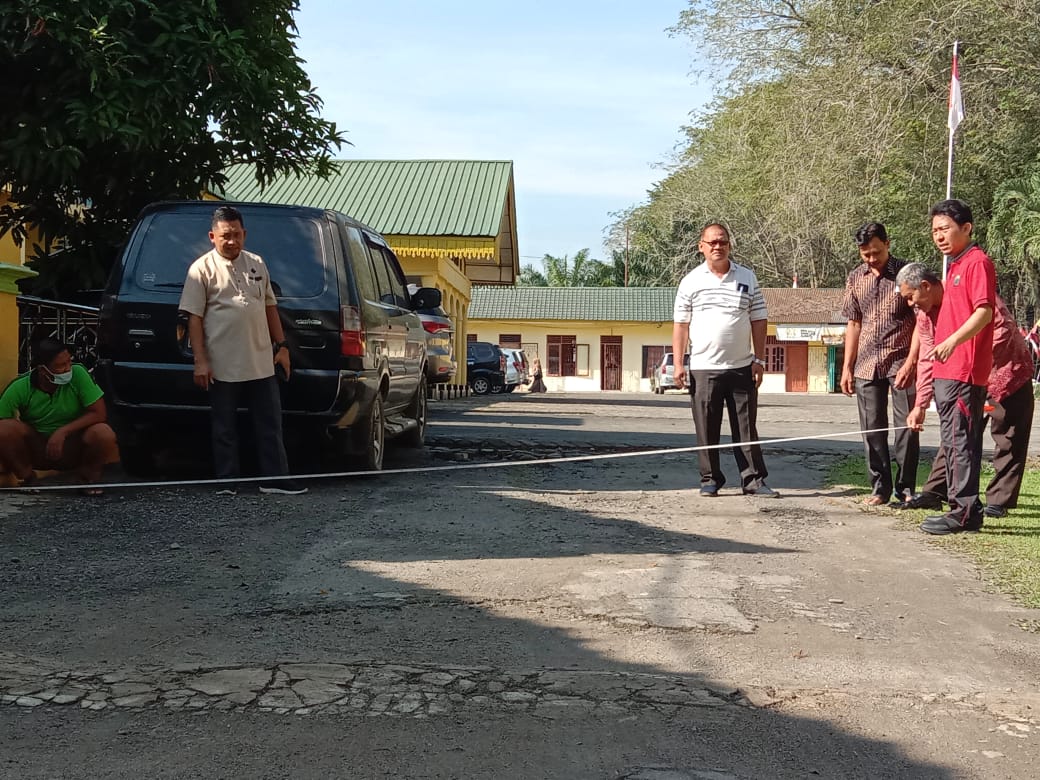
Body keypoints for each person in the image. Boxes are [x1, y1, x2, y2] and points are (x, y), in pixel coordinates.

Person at [179, 205, 307, 495]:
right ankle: (227, 482)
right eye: (225, 236)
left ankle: (275, 479)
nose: (232, 241)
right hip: (221, 363)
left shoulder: (257, 263)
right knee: (224, 427)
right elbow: (193, 318)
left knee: (270, 424)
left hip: (260, 359)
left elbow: (270, 306)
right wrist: (200, 361)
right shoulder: (201, 269)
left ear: (245, 234)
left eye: (237, 235)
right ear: (213, 236)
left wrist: (282, 346)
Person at [895, 263, 1033, 519]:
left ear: (925, 286)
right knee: (955, 436)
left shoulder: (965, 291)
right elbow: (928, 358)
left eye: (910, 297)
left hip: (1006, 372)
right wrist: (920, 404)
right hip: (964, 379)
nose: (911, 304)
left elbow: (999, 331)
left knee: (1008, 437)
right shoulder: (924, 317)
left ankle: (998, 501)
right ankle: (935, 492)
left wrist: (959, 351)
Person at [672, 222, 778, 498]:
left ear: (730, 245)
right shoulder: (691, 281)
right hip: (704, 369)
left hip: (742, 366)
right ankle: (710, 479)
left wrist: (760, 359)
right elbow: (681, 325)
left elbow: (759, 319)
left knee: (746, 426)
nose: (717, 247)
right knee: (706, 428)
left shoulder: (747, 277)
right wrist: (680, 364)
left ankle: (753, 480)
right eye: (712, 243)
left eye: (723, 242)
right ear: (701, 247)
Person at [911, 199, 996, 534]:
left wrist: (952, 341)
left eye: (944, 229)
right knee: (952, 441)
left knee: (961, 443)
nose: (939, 237)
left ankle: (963, 510)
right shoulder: (955, 266)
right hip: (947, 372)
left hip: (964, 371)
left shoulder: (977, 263)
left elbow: (984, 311)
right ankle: (963, 508)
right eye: (935, 231)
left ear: (967, 228)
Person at [840, 222, 920, 506]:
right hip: (865, 365)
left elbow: (921, 321)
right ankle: (880, 487)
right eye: (865, 254)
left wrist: (912, 362)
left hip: (902, 361)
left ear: (887, 243)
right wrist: (847, 367)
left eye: (876, 252)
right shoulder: (855, 278)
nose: (872, 259)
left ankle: (906, 487)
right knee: (871, 428)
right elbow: (853, 323)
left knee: (907, 427)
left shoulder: (907, 274)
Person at [0, 338, 119, 495]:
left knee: (103, 432)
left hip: (73, 446)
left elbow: (99, 413)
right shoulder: (20, 386)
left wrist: (62, 432)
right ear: (43, 370)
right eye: (61, 366)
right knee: (4, 428)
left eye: (69, 362)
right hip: (39, 449)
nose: (68, 369)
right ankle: (28, 478)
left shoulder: (78, 374)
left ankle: (88, 479)